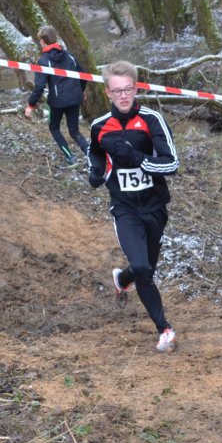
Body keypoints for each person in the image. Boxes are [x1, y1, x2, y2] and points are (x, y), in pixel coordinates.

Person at [88, 61, 179, 352]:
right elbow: (95, 153)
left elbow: (171, 164)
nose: (123, 96)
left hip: (154, 206)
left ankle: (121, 278)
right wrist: (95, 171)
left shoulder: (152, 120)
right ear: (107, 92)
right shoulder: (100, 126)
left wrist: (138, 158)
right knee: (142, 267)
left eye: (128, 89)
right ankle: (164, 330)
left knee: (145, 268)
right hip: (124, 207)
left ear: (136, 89)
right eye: (117, 91)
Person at [26, 26, 89, 167]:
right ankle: (90, 153)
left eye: (40, 40)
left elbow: (39, 86)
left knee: (54, 128)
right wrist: (81, 90)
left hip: (58, 102)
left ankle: (70, 157)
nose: (40, 42)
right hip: (74, 99)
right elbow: (83, 75)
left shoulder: (43, 61)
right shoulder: (69, 56)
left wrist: (30, 105)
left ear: (43, 41)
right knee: (74, 130)